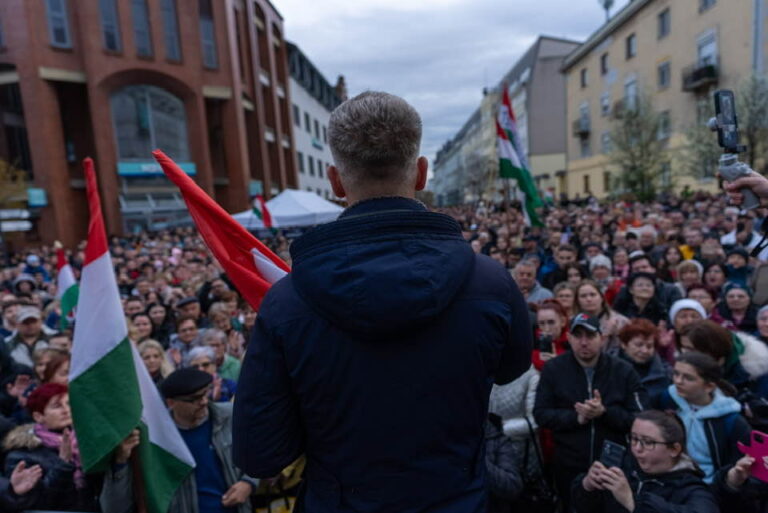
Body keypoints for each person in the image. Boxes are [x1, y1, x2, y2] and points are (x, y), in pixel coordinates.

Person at [232, 91, 532, 513]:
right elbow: (513, 367)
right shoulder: (491, 283)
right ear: (422, 173)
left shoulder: (286, 304)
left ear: (335, 181)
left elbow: (260, 453)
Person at [102, 368, 258, 513]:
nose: (203, 401)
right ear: (171, 402)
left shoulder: (229, 417)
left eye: (205, 394)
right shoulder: (155, 439)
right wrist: (120, 461)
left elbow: (260, 454)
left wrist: (248, 483)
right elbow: (114, 508)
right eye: (194, 399)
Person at [534, 313, 644, 512]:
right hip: (569, 464)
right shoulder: (554, 369)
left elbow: (639, 418)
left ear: (601, 338)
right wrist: (576, 418)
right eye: (578, 336)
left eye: (590, 336)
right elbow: (541, 414)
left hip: (613, 467)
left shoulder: (623, 370)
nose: (584, 342)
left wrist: (604, 412)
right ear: (569, 338)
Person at [572, 410, 718, 513]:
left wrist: (633, 502)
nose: (636, 449)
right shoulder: (623, 465)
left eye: (648, 442)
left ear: (674, 449)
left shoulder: (690, 487)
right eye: (634, 438)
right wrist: (588, 486)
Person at [655, 352, 751, 483]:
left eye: (688, 378)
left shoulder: (731, 421)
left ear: (709, 386)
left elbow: (736, 465)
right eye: (676, 374)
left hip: (709, 485)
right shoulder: (668, 399)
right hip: (668, 476)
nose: (678, 381)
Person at [3, 383, 100, 511]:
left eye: (68, 404)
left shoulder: (87, 440)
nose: (66, 410)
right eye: (57, 406)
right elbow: (42, 503)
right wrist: (63, 464)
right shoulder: (21, 455)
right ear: (39, 416)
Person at [617, 319, 670, 404]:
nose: (644, 350)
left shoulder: (665, 372)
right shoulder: (607, 367)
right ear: (624, 344)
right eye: (639, 345)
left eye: (649, 346)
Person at [574, 280, 628, 351]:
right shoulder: (573, 322)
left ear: (602, 298)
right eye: (583, 296)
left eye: (593, 295)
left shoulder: (620, 321)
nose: (589, 299)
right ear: (577, 301)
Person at [532, 300, 569, 370]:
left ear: (563, 321)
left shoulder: (573, 347)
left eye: (551, 322)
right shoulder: (532, 348)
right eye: (542, 323)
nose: (547, 329)